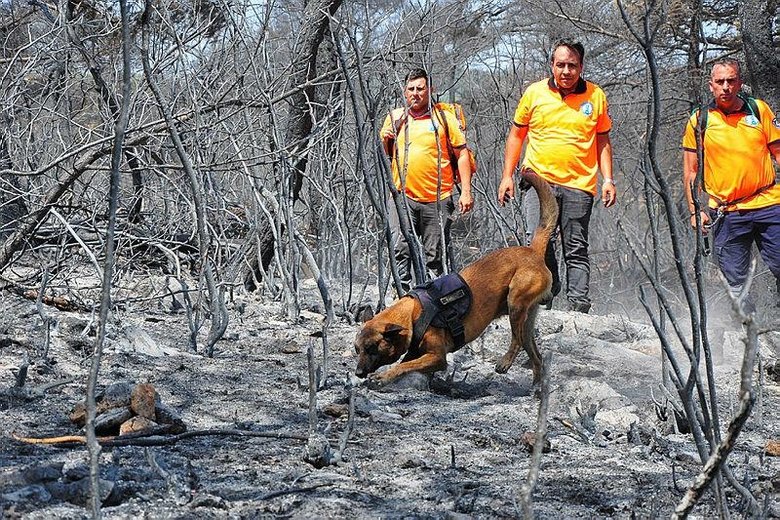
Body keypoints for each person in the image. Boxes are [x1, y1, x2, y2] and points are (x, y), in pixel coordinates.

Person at [497, 40, 616, 313]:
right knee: (538, 242)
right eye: (560, 64)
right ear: (552, 65)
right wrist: (507, 176)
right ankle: (546, 295)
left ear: (581, 67)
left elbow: (603, 140)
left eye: (572, 65)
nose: (566, 71)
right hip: (538, 181)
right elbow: (517, 135)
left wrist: (608, 179)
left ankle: (579, 307)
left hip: (579, 184)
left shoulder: (595, 96)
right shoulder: (534, 93)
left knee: (575, 246)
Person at [682, 59, 780, 309]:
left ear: (740, 83)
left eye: (731, 80)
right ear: (711, 85)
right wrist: (695, 210)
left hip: (769, 203)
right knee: (734, 282)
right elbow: (691, 171)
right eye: (720, 82)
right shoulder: (699, 120)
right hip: (726, 211)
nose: (726, 86)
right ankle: (749, 335)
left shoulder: (758, 110)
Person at [380, 68, 474, 295]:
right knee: (400, 248)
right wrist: (389, 135)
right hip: (403, 196)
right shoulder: (394, 118)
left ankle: (437, 300)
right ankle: (400, 297)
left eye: (420, 89)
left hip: (438, 198)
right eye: (411, 89)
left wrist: (466, 191)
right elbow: (387, 151)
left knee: (435, 254)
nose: (415, 93)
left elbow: (462, 154)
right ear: (404, 91)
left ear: (430, 90)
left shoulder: (444, 118)